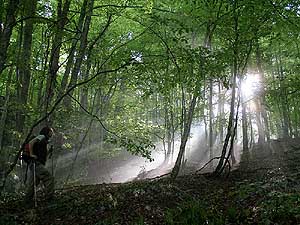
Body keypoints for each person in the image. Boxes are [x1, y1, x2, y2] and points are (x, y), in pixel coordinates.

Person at [24, 126, 54, 204]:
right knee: (49, 178)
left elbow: (42, 155)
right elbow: (31, 143)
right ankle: (49, 199)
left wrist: (49, 152)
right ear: (47, 131)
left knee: (33, 184)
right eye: (51, 131)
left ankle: (26, 202)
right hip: (35, 163)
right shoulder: (41, 136)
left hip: (35, 163)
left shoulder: (44, 140)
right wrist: (31, 154)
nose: (52, 133)